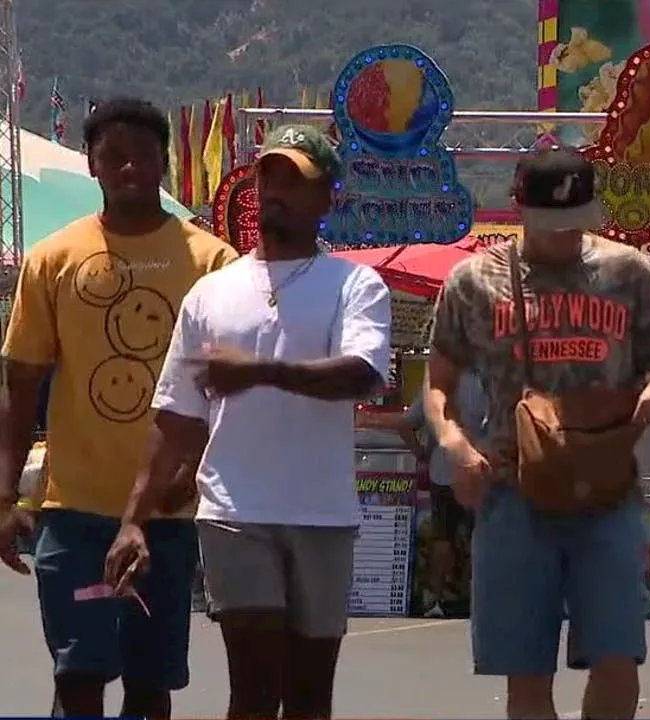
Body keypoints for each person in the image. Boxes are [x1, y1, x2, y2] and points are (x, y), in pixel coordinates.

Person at [104, 123, 392, 720]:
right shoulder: (211, 293)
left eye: (297, 180)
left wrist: (260, 372)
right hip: (236, 513)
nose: (279, 191)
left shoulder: (355, 285)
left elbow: (360, 375)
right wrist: (134, 519)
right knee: (254, 689)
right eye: (269, 175)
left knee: (310, 696)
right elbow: (176, 416)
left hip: (322, 514)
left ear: (326, 197)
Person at [424, 147, 650, 720]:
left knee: (617, 656)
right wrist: (456, 446)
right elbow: (438, 385)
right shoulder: (474, 282)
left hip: (606, 489)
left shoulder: (625, 271)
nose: (563, 236)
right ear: (518, 208)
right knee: (526, 672)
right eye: (551, 224)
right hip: (512, 489)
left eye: (575, 222)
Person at [0, 98, 239, 718]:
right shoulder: (52, 258)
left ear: (163, 162)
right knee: (79, 674)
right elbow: (20, 385)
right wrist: (4, 497)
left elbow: (231, 390)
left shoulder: (213, 261)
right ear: (92, 165)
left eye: (141, 154)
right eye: (112, 156)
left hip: (168, 514)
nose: (127, 166)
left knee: (149, 683)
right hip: (74, 514)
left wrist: (194, 468)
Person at [395, 368, 486, 618]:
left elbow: (405, 425)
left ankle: (433, 599)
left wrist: (421, 454)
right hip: (478, 468)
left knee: (442, 535)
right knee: (481, 536)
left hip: (442, 469)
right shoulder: (485, 380)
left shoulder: (434, 384)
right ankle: (480, 598)